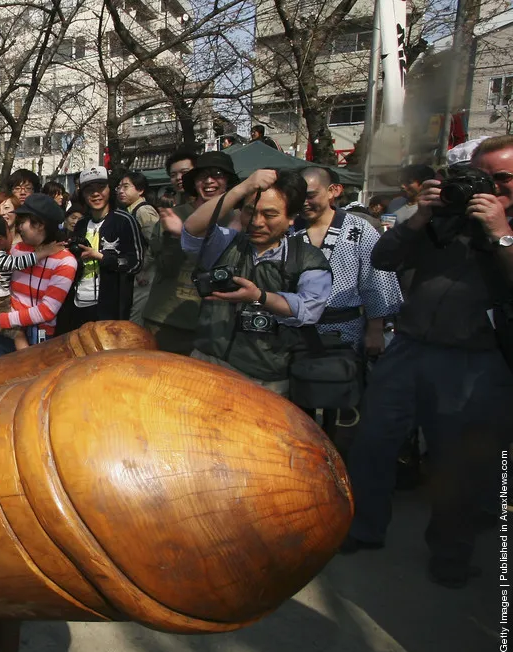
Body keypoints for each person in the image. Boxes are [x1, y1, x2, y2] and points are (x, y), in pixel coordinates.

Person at [339, 135, 513, 590]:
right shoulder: (443, 220)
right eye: (482, 177)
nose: (491, 187)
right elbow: (384, 258)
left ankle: (451, 553)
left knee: (457, 466)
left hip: (477, 361)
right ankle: (364, 529)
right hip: (410, 348)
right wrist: (421, 215)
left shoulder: (503, 225)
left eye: (503, 178)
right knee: (373, 441)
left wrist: (500, 233)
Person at [165, 169, 332, 394]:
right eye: (249, 212)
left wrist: (259, 297)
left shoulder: (307, 258)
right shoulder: (227, 243)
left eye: (270, 215)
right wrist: (242, 188)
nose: (257, 222)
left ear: (291, 218)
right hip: (207, 364)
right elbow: (193, 229)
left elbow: (309, 309)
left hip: (264, 378)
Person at [294, 167, 402, 358]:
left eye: (311, 195)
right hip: (296, 330)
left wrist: (375, 329)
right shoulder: (291, 230)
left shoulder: (359, 229)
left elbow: (376, 280)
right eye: (299, 196)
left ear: (333, 191)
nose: (304, 203)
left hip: (346, 330)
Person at [145, 151, 240, 354]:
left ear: (229, 181)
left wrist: (184, 234)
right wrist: (173, 236)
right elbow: (164, 267)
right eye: (202, 176)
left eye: (217, 174)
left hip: (216, 325)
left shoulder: (239, 219)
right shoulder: (174, 216)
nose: (209, 181)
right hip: (167, 321)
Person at [0, 193, 78, 352]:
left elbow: (47, 311)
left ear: (39, 224)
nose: (18, 227)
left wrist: (3, 320)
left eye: (23, 222)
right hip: (5, 331)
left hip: (38, 337)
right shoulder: (16, 250)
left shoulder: (65, 261)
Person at [60, 167, 143, 333]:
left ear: (109, 190)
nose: (95, 194)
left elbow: (136, 263)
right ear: (82, 194)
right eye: (89, 190)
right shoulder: (82, 224)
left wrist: (100, 257)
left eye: (100, 188)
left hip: (110, 306)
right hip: (79, 302)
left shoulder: (124, 220)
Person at [115, 171, 158, 326]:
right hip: (136, 274)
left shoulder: (143, 211)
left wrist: (143, 269)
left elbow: (156, 243)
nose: (121, 191)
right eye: (119, 187)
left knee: (135, 322)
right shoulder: (130, 211)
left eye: (126, 187)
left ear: (140, 190)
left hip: (144, 276)